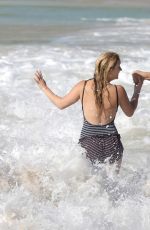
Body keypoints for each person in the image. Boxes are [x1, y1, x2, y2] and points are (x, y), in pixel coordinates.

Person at [34, 51, 143, 173]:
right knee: (113, 185)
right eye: (118, 66)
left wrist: (44, 87)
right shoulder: (118, 90)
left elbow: (60, 104)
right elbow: (130, 112)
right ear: (110, 69)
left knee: (90, 184)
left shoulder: (83, 86)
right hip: (112, 143)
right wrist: (137, 90)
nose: (121, 69)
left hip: (89, 142)